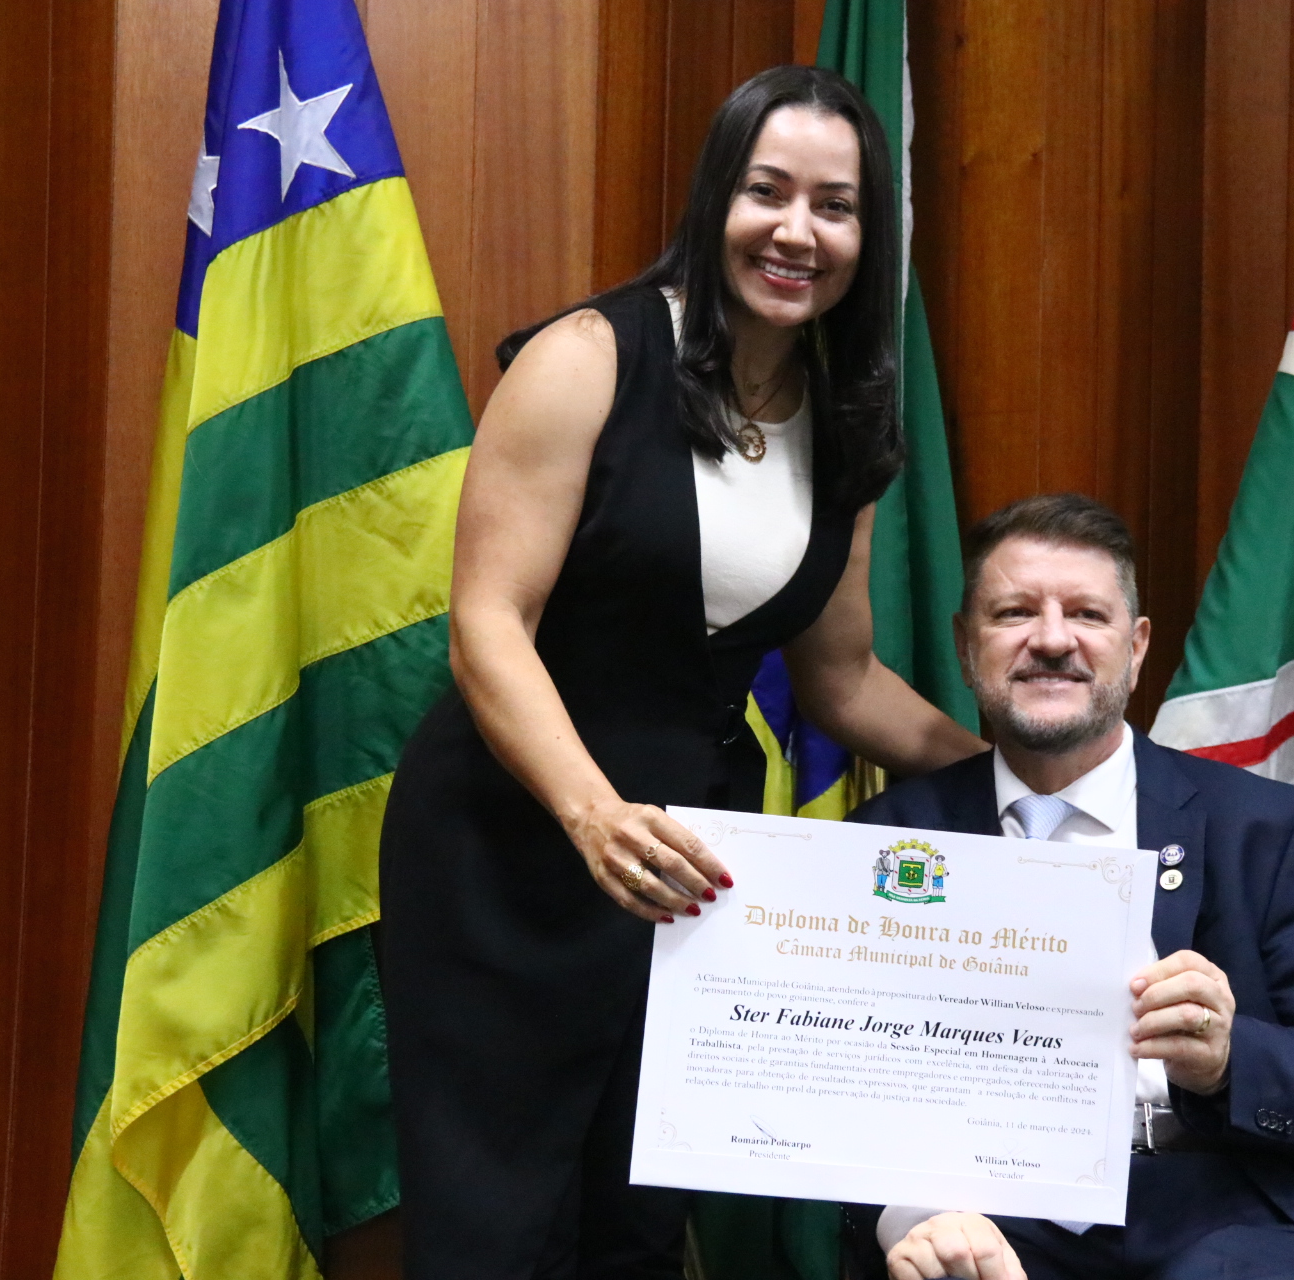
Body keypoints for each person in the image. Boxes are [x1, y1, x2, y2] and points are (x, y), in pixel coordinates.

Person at [378, 65, 985, 1280]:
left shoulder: (847, 420)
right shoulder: (588, 357)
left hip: (691, 877)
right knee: (494, 1228)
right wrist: (591, 813)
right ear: (716, 200)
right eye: (768, 192)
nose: (797, 231)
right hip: (510, 848)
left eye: (835, 206)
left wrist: (1012, 776)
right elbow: (487, 621)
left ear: (870, 238)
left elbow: (843, 679)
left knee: (637, 1227)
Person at [845, 494, 1294, 1280]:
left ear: (1137, 646)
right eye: (1015, 613)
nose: (1053, 640)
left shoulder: (1265, 829)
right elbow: (841, 1085)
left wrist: (1228, 1059)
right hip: (989, 1213)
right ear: (965, 644)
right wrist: (921, 1217)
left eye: (1087, 614)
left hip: (1231, 1201)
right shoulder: (887, 841)